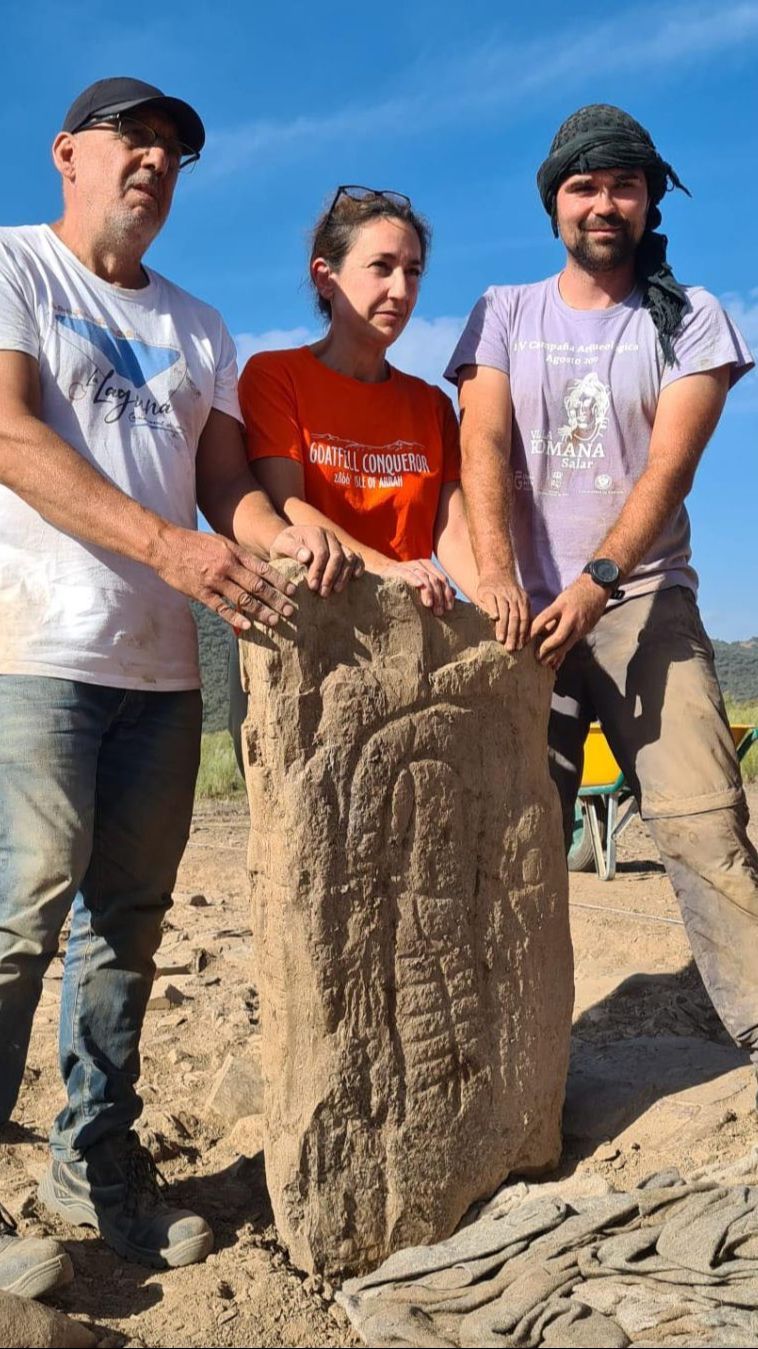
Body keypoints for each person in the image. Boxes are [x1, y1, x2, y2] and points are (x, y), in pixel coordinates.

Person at [0, 77, 358, 1294]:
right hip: (36, 652)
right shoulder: (14, 269)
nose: (155, 161)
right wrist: (167, 550)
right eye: (133, 139)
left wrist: (287, 532)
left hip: (161, 666)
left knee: (126, 930)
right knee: (19, 913)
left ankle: (90, 1166)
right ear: (68, 154)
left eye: (173, 151)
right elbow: (7, 433)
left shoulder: (199, 324)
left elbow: (223, 493)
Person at [446, 104, 758, 1068]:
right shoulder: (504, 310)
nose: (604, 203)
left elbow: (670, 467)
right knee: (516, 842)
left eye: (623, 184)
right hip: (519, 616)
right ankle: (515, 1067)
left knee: (704, 823)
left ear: (650, 197)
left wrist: (596, 579)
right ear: (554, 205)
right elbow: (483, 444)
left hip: (643, 603)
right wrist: (497, 574)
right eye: (584, 186)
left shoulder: (693, 318)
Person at [228, 185, 479, 760]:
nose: (401, 290)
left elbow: (452, 530)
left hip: (407, 638)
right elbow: (285, 506)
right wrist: (395, 571)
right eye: (382, 268)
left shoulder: (430, 406)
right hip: (305, 635)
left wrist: (491, 598)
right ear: (326, 276)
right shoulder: (275, 377)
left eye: (413, 272)